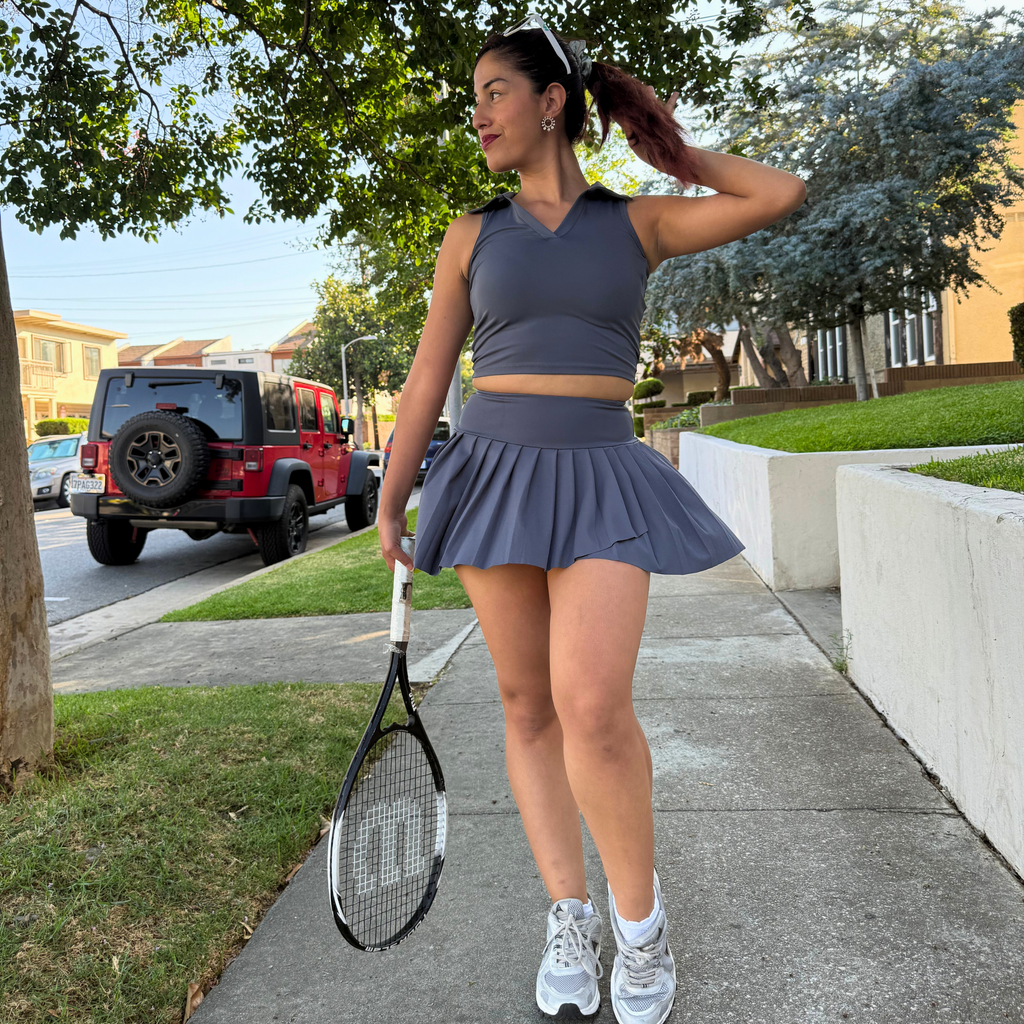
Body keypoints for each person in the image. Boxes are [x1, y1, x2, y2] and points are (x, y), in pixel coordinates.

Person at [378, 14, 805, 1024]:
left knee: (594, 705)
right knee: (528, 707)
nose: (477, 111)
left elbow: (779, 194)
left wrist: (672, 149)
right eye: (474, 96)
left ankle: (641, 924)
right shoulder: (471, 233)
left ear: (550, 101)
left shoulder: (638, 221)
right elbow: (429, 373)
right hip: (489, 471)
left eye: (493, 91)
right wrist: (392, 494)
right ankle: (566, 914)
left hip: (602, 470)